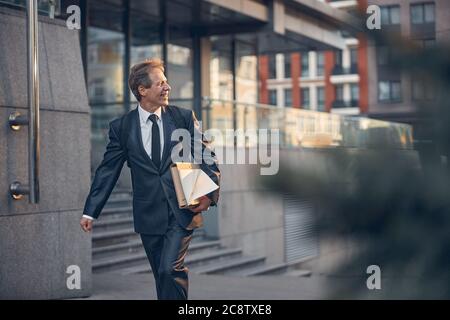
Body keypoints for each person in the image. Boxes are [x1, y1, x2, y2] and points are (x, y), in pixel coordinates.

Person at [80, 59, 220, 300]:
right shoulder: (122, 128)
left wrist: (209, 193)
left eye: (166, 82)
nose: (167, 88)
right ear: (142, 90)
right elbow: (107, 170)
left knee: (169, 269)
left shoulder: (183, 117)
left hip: (182, 208)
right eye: (160, 83)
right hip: (148, 213)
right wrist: (91, 211)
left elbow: (205, 154)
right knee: (162, 275)